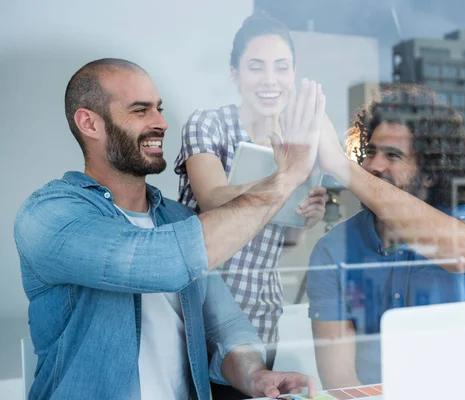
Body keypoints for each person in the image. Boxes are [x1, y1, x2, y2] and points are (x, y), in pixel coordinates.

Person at [13, 58, 325, 399]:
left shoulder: (178, 219)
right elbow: (160, 261)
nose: (160, 122)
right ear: (90, 123)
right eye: (140, 110)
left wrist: (254, 375)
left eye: (158, 109)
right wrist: (284, 180)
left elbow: (225, 326)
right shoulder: (48, 215)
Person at [174, 14, 327, 397]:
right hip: (204, 320)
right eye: (256, 67)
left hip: (263, 318)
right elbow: (211, 196)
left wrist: (306, 214)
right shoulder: (208, 125)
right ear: (235, 73)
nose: (270, 80)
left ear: (293, 74)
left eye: (281, 67)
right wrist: (285, 180)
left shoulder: (297, 142)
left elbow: (285, 242)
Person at [307, 84, 465, 388]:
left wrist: (339, 166)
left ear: (431, 172)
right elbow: (340, 380)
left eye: (393, 155)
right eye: (370, 152)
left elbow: (462, 254)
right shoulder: (332, 250)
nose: (373, 166)